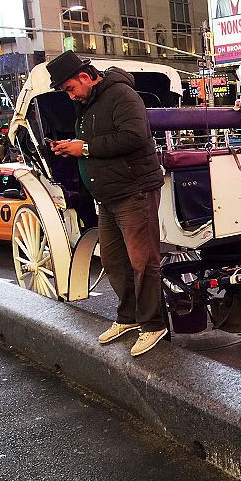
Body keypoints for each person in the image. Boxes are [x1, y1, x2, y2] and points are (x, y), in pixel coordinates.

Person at [46, 50, 168, 357]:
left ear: (85, 77)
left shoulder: (121, 95)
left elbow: (135, 137)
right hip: (110, 195)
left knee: (143, 261)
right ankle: (128, 317)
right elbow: (97, 144)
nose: (70, 96)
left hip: (134, 190)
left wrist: (83, 147)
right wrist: (71, 148)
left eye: (70, 88)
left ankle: (153, 325)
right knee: (114, 261)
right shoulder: (88, 103)